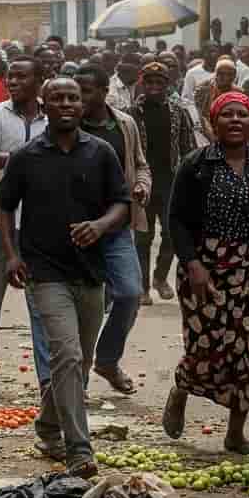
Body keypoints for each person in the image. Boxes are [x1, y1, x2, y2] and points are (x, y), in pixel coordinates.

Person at [0, 77, 129, 478]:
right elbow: (4, 206)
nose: (67, 104)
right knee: (67, 355)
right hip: (45, 271)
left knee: (79, 360)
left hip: (90, 273)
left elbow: (121, 202)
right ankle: (79, 449)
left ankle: (48, 424)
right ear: (45, 104)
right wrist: (12, 254)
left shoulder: (101, 153)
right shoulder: (26, 156)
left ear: (81, 105)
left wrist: (101, 226)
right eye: (58, 98)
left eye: (73, 98)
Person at [163, 91, 249, 454]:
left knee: (247, 350)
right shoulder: (196, 164)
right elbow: (175, 219)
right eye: (228, 115)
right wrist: (192, 264)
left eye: (242, 115)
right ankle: (181, 390)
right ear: (214, 123)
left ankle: (235, 434)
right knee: (205, 345)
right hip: (204, 266)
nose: (235, 120)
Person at [0, 57, 50, 392]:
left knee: (41, 306)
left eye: (21, 77)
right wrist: (26, 158)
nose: (13, 83)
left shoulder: (54, 116)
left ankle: (48, 380)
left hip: (38, 226)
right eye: (10, 78)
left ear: (39, 80)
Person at [75, 64, 149, 394]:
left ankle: (107, 359)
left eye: (86, 90)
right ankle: (77, 376)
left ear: (105, 92)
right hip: (77, 229)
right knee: (83, 306)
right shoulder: (68, 126)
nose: (77, 97)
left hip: (118, 225)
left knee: (130, 292)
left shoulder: (125, 124)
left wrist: (143, 186)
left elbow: (141, 164)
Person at [133, 58, 196, 305]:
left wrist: (190, 181)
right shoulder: (131, 113)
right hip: (142, 182)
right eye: (149, 81)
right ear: (143, 83)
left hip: (170, 182)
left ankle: (160, 277)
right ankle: (143, 287)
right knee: (143, 236)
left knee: (171, 234)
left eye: (159, 82)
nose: (154, 86)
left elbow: (189, 149)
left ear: (167, 85)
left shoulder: (179, 112)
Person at [194, 59, 240, 144]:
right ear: (215, 73)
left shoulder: (239, 93)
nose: (225, 77)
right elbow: (200, 115)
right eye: (221, 73)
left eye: (229, 74)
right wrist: (211, 135)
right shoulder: (203, 89)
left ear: (234, 76)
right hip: (205, 135)